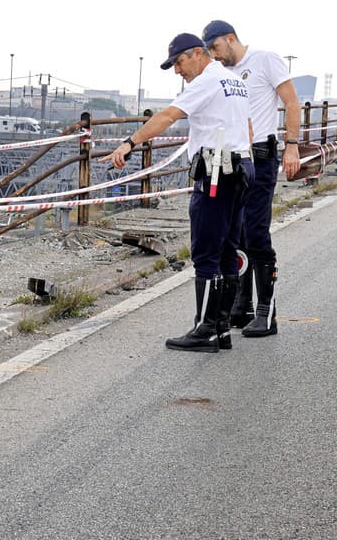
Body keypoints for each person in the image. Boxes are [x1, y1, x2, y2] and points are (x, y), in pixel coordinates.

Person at [104, 33, 253, 353]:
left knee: (206, 252)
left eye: (179, 62)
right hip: (241, 169)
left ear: (198, 54)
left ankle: (206, 329)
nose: (177, 71)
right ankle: (222, 328)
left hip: (217, 172)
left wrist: (130, 143)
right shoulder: (233, 80)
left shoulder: (206, 81)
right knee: (228, 250)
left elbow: (168, 116)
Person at [202, 20, 300, 338]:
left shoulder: (265, 59)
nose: (214, 56)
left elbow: (292, 102)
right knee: (237, 234)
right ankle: (241, 306)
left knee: (256, 233)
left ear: (231, 39)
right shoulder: (223, 73)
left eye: (216, 48)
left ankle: (266, 312)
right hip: (237, 158)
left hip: (263, 155)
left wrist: (293, 147)